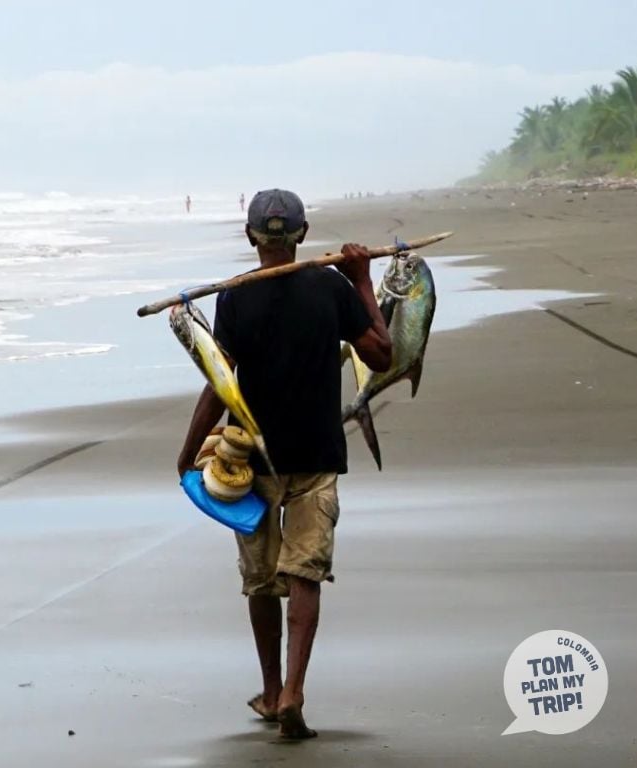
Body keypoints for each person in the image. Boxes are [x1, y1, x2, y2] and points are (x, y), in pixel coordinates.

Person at [176, 189, 392, 740]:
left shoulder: (235, 299)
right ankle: (295, 690)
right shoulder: (331, 287)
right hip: (316, 456)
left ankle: (271, 692)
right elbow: (381, 354)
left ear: (252, 237)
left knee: (261, 581)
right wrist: (363, 279)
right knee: (305, 574)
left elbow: (219, 384)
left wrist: (188, 450)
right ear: (301, 234)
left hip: (251, 461)